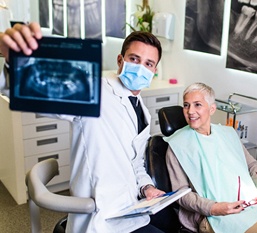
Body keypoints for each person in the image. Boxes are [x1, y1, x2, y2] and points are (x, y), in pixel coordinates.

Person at [0, 22, 166, 233]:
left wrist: (146, 187)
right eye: (134, 59)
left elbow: (135, 162)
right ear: (120, 60)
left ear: (154, 70)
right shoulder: (93, 89)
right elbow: (36, 88)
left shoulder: (142, 110)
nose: (141, 68)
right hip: (100, 216)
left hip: (131, 210)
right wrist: (14, 63)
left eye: (149, 64)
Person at [164, 82, 257, 233]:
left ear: (212, 109)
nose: (190, 111)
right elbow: (181, 194)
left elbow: (252, 165)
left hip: (251, 204)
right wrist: (214, 208)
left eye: (197, 105)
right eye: (186, 105)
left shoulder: (228, 134)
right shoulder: (177, 145)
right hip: (216, 217)